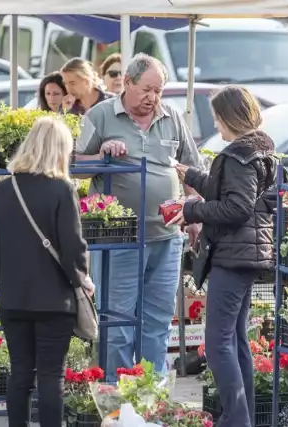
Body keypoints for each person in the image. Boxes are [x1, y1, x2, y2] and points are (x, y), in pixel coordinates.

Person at [75, 53, 203, 381]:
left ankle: (150, 396)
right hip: (119, 239)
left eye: (158, 91)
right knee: (117, 321)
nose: (153, 98)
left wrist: (195, 212)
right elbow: (73, 165)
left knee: (158, 321)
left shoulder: (172, 117)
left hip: (167, 237)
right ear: (127, 83)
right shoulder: (100, 116)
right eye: (147, 89)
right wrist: (102, 155)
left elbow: (194, 170)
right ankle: (115, 398)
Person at [166, 85, 277, 427]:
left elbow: (237, 206)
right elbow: (232, 189)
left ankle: (236, 419)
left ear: (230, 117)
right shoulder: (261, 150)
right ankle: (242, 417)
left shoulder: (236, 155)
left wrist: (192, 210)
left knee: (216, 344)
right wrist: (193, 175)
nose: (216, 126)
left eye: (217, 118)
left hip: (233, 255)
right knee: (237, 340)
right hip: (249, 254)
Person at [0, 117, 94, 427]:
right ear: (60, 150)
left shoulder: (5, 188)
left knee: (20, 373)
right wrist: (81, 277)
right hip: (54, 300)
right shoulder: (62, 188)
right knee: (50, 375)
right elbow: (73, 245)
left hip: (14, 298)